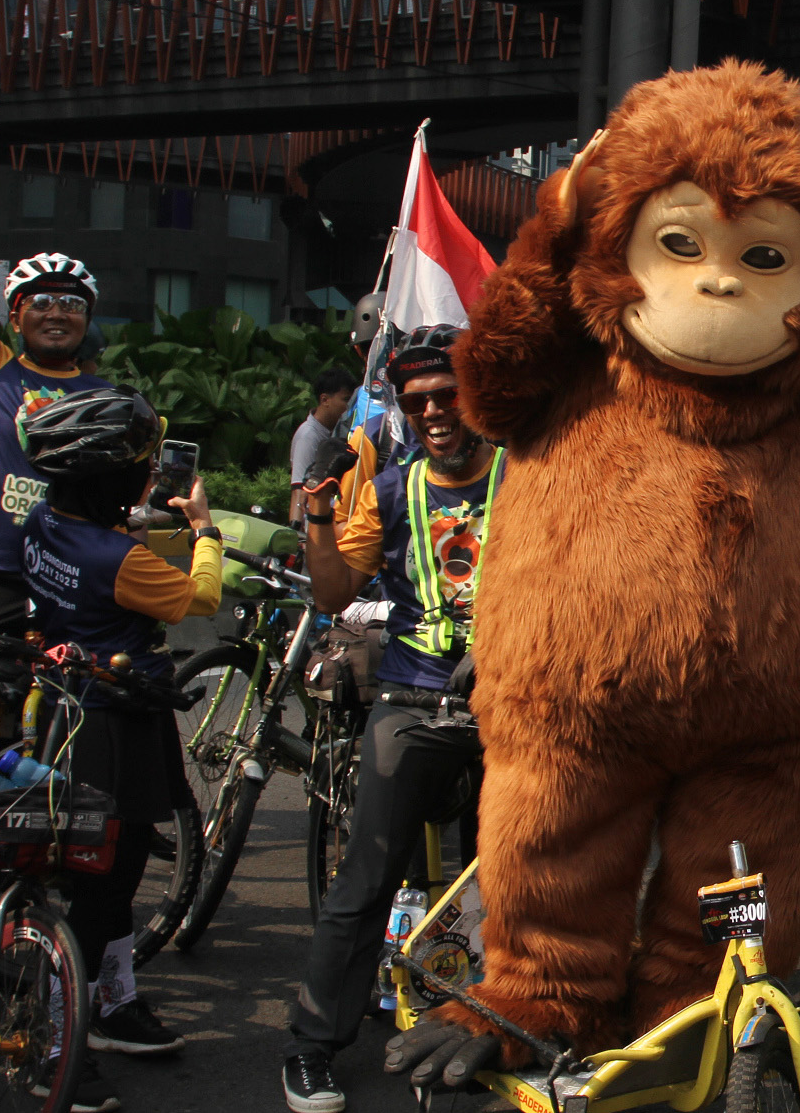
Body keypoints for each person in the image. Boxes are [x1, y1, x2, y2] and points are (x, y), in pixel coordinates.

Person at [284, 330, 502, 1113]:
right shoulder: (390, 491)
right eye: (417, 403)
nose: (434, 413)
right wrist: (316, 514)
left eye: (448, 395)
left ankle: (503, 1025)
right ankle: (311, 1048)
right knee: (366, 879)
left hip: (513, 713)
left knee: (519, 878)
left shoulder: (533, 478)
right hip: (413, 706)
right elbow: (334, 595)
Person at [17, 388, 220, 1107]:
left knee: (114, 872)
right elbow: (198, 599)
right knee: (105, 883)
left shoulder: (45, 524)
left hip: (69, 714)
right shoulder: (118, 559)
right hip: (116, 721)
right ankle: (54, 1034)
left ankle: (112, 1002)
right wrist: (205, 532)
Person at [0, 103, 110, 637]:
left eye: (71, 304)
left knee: (74, 706)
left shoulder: (105, 395)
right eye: (40, 303)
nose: (57, 313)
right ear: (13, 317)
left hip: (73, 572)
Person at [289, 368, 361, 488]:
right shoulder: (308, 437)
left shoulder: (338, 430)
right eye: (346, 400)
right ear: (325, 400)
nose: (350, 406)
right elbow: (299, 488)